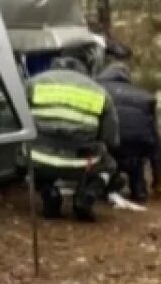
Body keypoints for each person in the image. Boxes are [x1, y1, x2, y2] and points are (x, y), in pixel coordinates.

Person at [25, 49, 119, 221]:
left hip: (38, 157)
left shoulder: (33, 83)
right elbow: (110, 138)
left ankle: (48, 192)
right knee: (109, 165)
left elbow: (18, 120)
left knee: (23, 157)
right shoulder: (99, 92)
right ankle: (86, 196)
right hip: (80, 161)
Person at [97, 56, 161, 203]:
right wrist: (158, 180)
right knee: (136, 155)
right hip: (135, 151)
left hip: (106, 149)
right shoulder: (146, 97)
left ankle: (100, 183)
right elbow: (156, 143)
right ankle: (138, 187)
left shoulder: (96, 90)